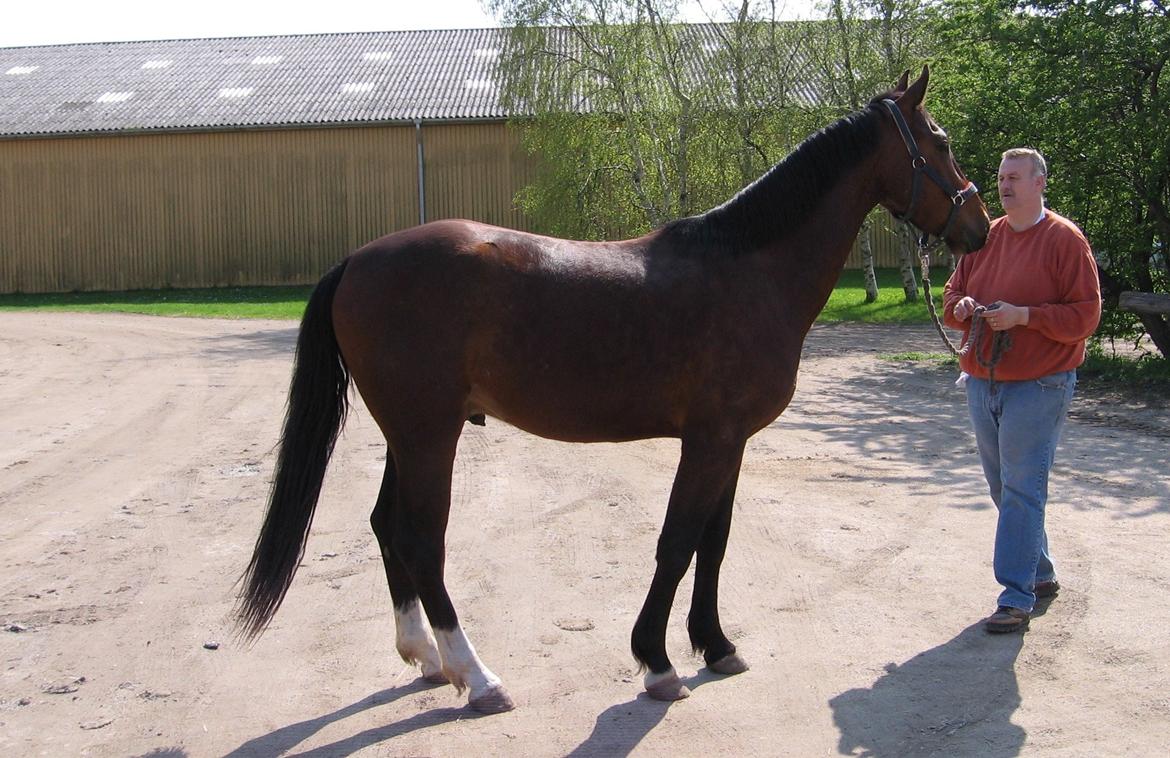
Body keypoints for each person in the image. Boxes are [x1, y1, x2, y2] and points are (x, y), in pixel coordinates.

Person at [943, 147, 1102, 634]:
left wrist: (1024, 317)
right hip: (983, 380)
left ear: (1039, 183)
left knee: (1020, 489)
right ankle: (1041, 571)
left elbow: (1086, 317)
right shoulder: (984, 238)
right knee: (1004, 487)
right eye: (1000, 177)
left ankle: (1016, 596)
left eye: (1014, 177)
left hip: (1041, 382)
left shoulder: (1064, 240)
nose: (1005, 185)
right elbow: (951, 299)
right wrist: (965, 306)